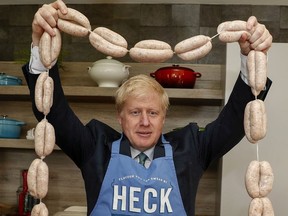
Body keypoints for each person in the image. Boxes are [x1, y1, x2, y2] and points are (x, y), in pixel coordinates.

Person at [22, 0, 273, 215]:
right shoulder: (95, 148)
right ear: (120, 118)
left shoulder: (191, 149)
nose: (145, 121)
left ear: (163, 118)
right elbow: (51, 111)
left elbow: (235, 120)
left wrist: (251, 57)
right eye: (135, 112)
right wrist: (41, 43)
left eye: (153, 113)